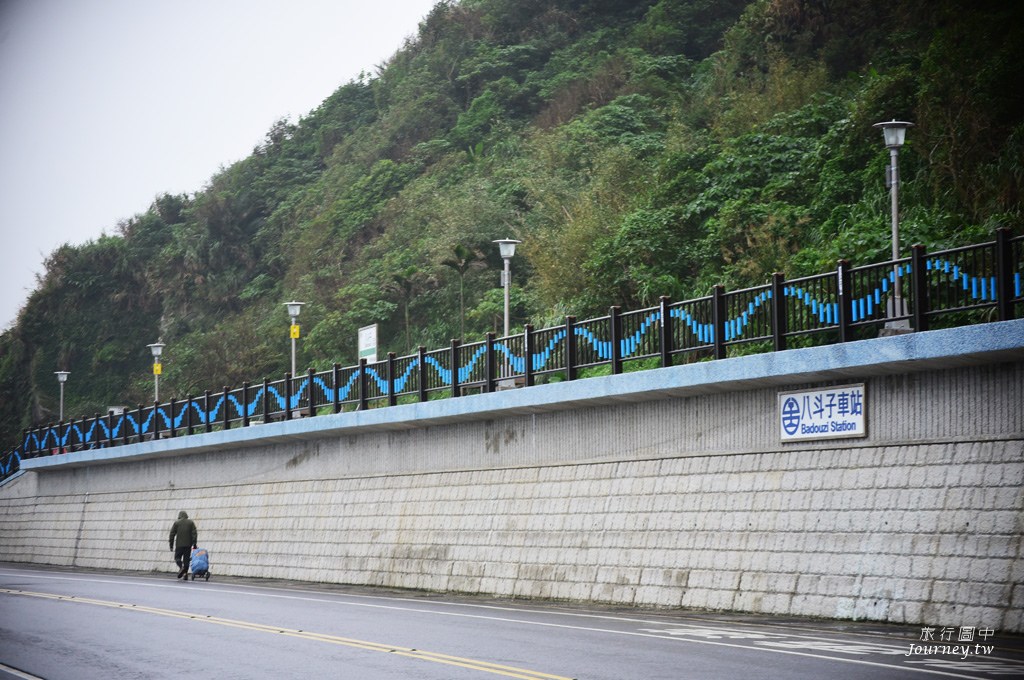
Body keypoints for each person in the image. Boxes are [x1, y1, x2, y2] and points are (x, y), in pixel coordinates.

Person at [169, 511, 198, 579]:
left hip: (179, 545)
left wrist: (171, 545)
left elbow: (172, 534)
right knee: (186, 560)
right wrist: (194, 543)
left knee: (177, 557)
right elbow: (194, 533)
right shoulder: (191, 523)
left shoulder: (177, 523)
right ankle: (185, 574)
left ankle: (181, 568)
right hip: (188, 545)